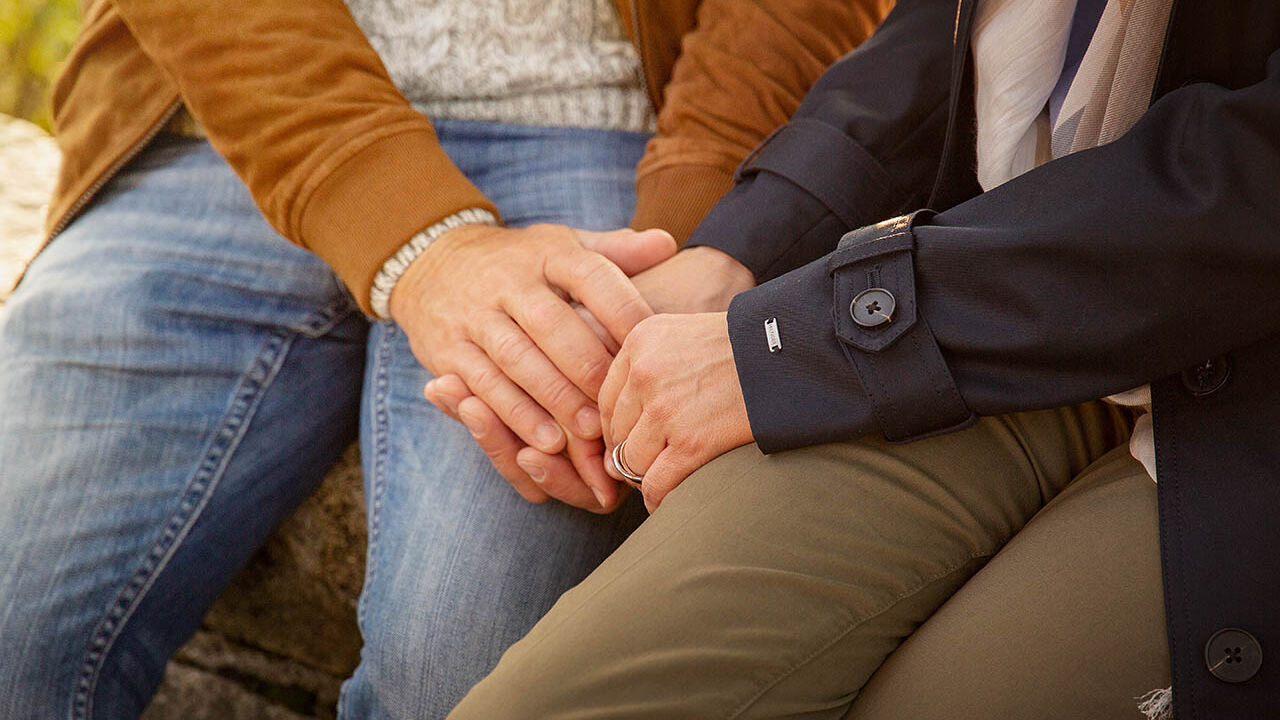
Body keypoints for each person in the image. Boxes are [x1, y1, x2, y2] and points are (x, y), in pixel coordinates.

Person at [0, 1, 892, 718]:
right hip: (232, 112)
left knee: (465, 678)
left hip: (615, 133)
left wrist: (703, 228)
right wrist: (423, 244)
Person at [445, 0, 1280, 718]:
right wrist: (737, 254)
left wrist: (812, 336)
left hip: (1240, 399)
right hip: (990, 297)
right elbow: (946, 35)